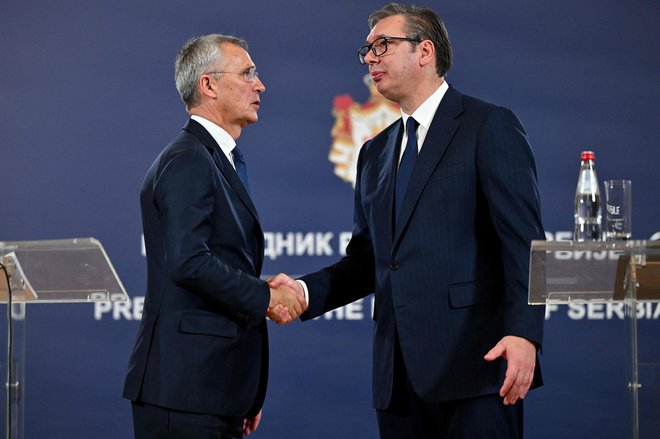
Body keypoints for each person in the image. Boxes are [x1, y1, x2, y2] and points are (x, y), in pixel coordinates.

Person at [270, 3, 545, 438]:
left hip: (478, 367)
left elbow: (525, 244)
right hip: (398, 380)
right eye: (366, 49)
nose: (370, 58)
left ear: (425, 51)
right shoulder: (373, 153)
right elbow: (368, 262)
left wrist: (525, 335)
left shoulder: (487, 125)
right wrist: (304, 292)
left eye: (383, 45)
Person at [122, 34, 306, 439]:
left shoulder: (212, 158)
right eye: (248, 74)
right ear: (208, 85)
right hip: (186, 392)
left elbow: (211, 260)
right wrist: (267, 297)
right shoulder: (189, 159)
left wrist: (241, 395)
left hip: (213, 390)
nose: (260, 85)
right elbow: (189, 262)